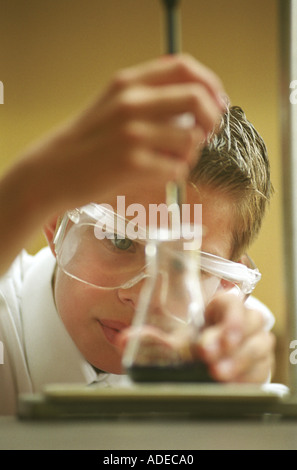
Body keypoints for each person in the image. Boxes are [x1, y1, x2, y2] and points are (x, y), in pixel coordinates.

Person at [0, 55, 275, 415]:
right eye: (119, 241)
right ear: (56, 225)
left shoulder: (232, 346)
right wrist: (31, 188)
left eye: (185, 263)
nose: (144, 296)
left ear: (226, 284)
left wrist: (233, 417)